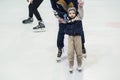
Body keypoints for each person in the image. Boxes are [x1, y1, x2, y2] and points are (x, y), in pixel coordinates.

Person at [65, 7, 83, 73]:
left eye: (73, 13)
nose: (71, 14)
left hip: (78, 37)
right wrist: (70, 21)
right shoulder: (67, 21)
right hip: (70, 37)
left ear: (75, 13)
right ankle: (70, 65)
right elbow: (65, 29)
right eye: (70, 13)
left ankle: (79, 64)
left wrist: (81, 7)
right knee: (70, 52)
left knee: (79, 52)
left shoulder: (79, 19)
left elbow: (81, 13)